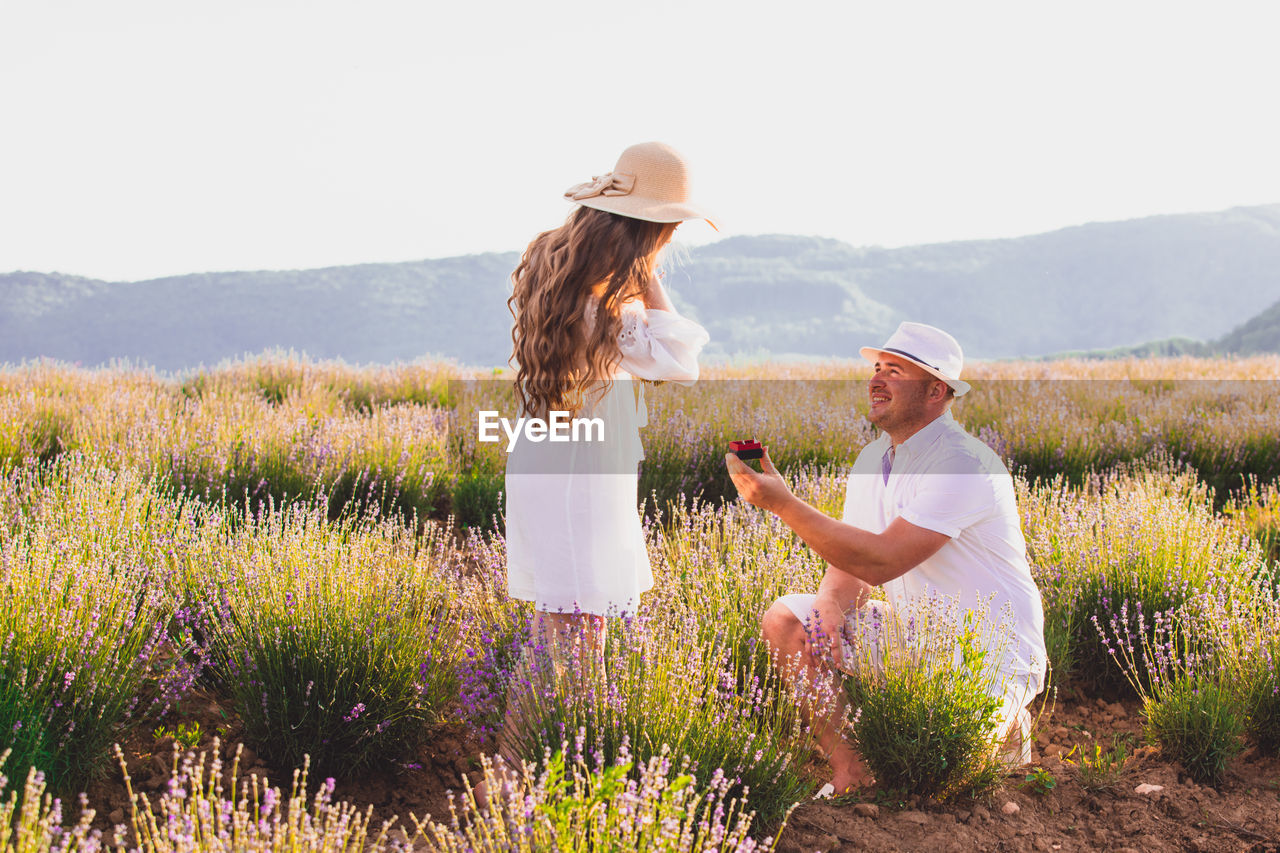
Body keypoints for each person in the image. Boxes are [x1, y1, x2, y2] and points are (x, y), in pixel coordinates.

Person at [724, 321, 1046, 794]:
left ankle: (1009, 720)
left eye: (894, 371)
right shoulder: (874, 459)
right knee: (790, 620)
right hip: (918, 637)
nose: (876, 380)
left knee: (940, 779)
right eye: (877, 368)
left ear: (936, 390)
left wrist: (783, 504)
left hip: (989, 654)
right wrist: (830, 600)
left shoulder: (964, 464)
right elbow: (854, 557)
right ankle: (852, 773)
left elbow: (881, 561)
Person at [505, 140, 715, 653]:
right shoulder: (607, 301)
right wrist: (648, 280)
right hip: (584, 468)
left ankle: (537, 735)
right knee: (581, 632)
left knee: (556, 629)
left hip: (548, 456)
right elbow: (680, 362)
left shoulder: (552, 266)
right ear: (654, 226)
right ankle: (579, 733)